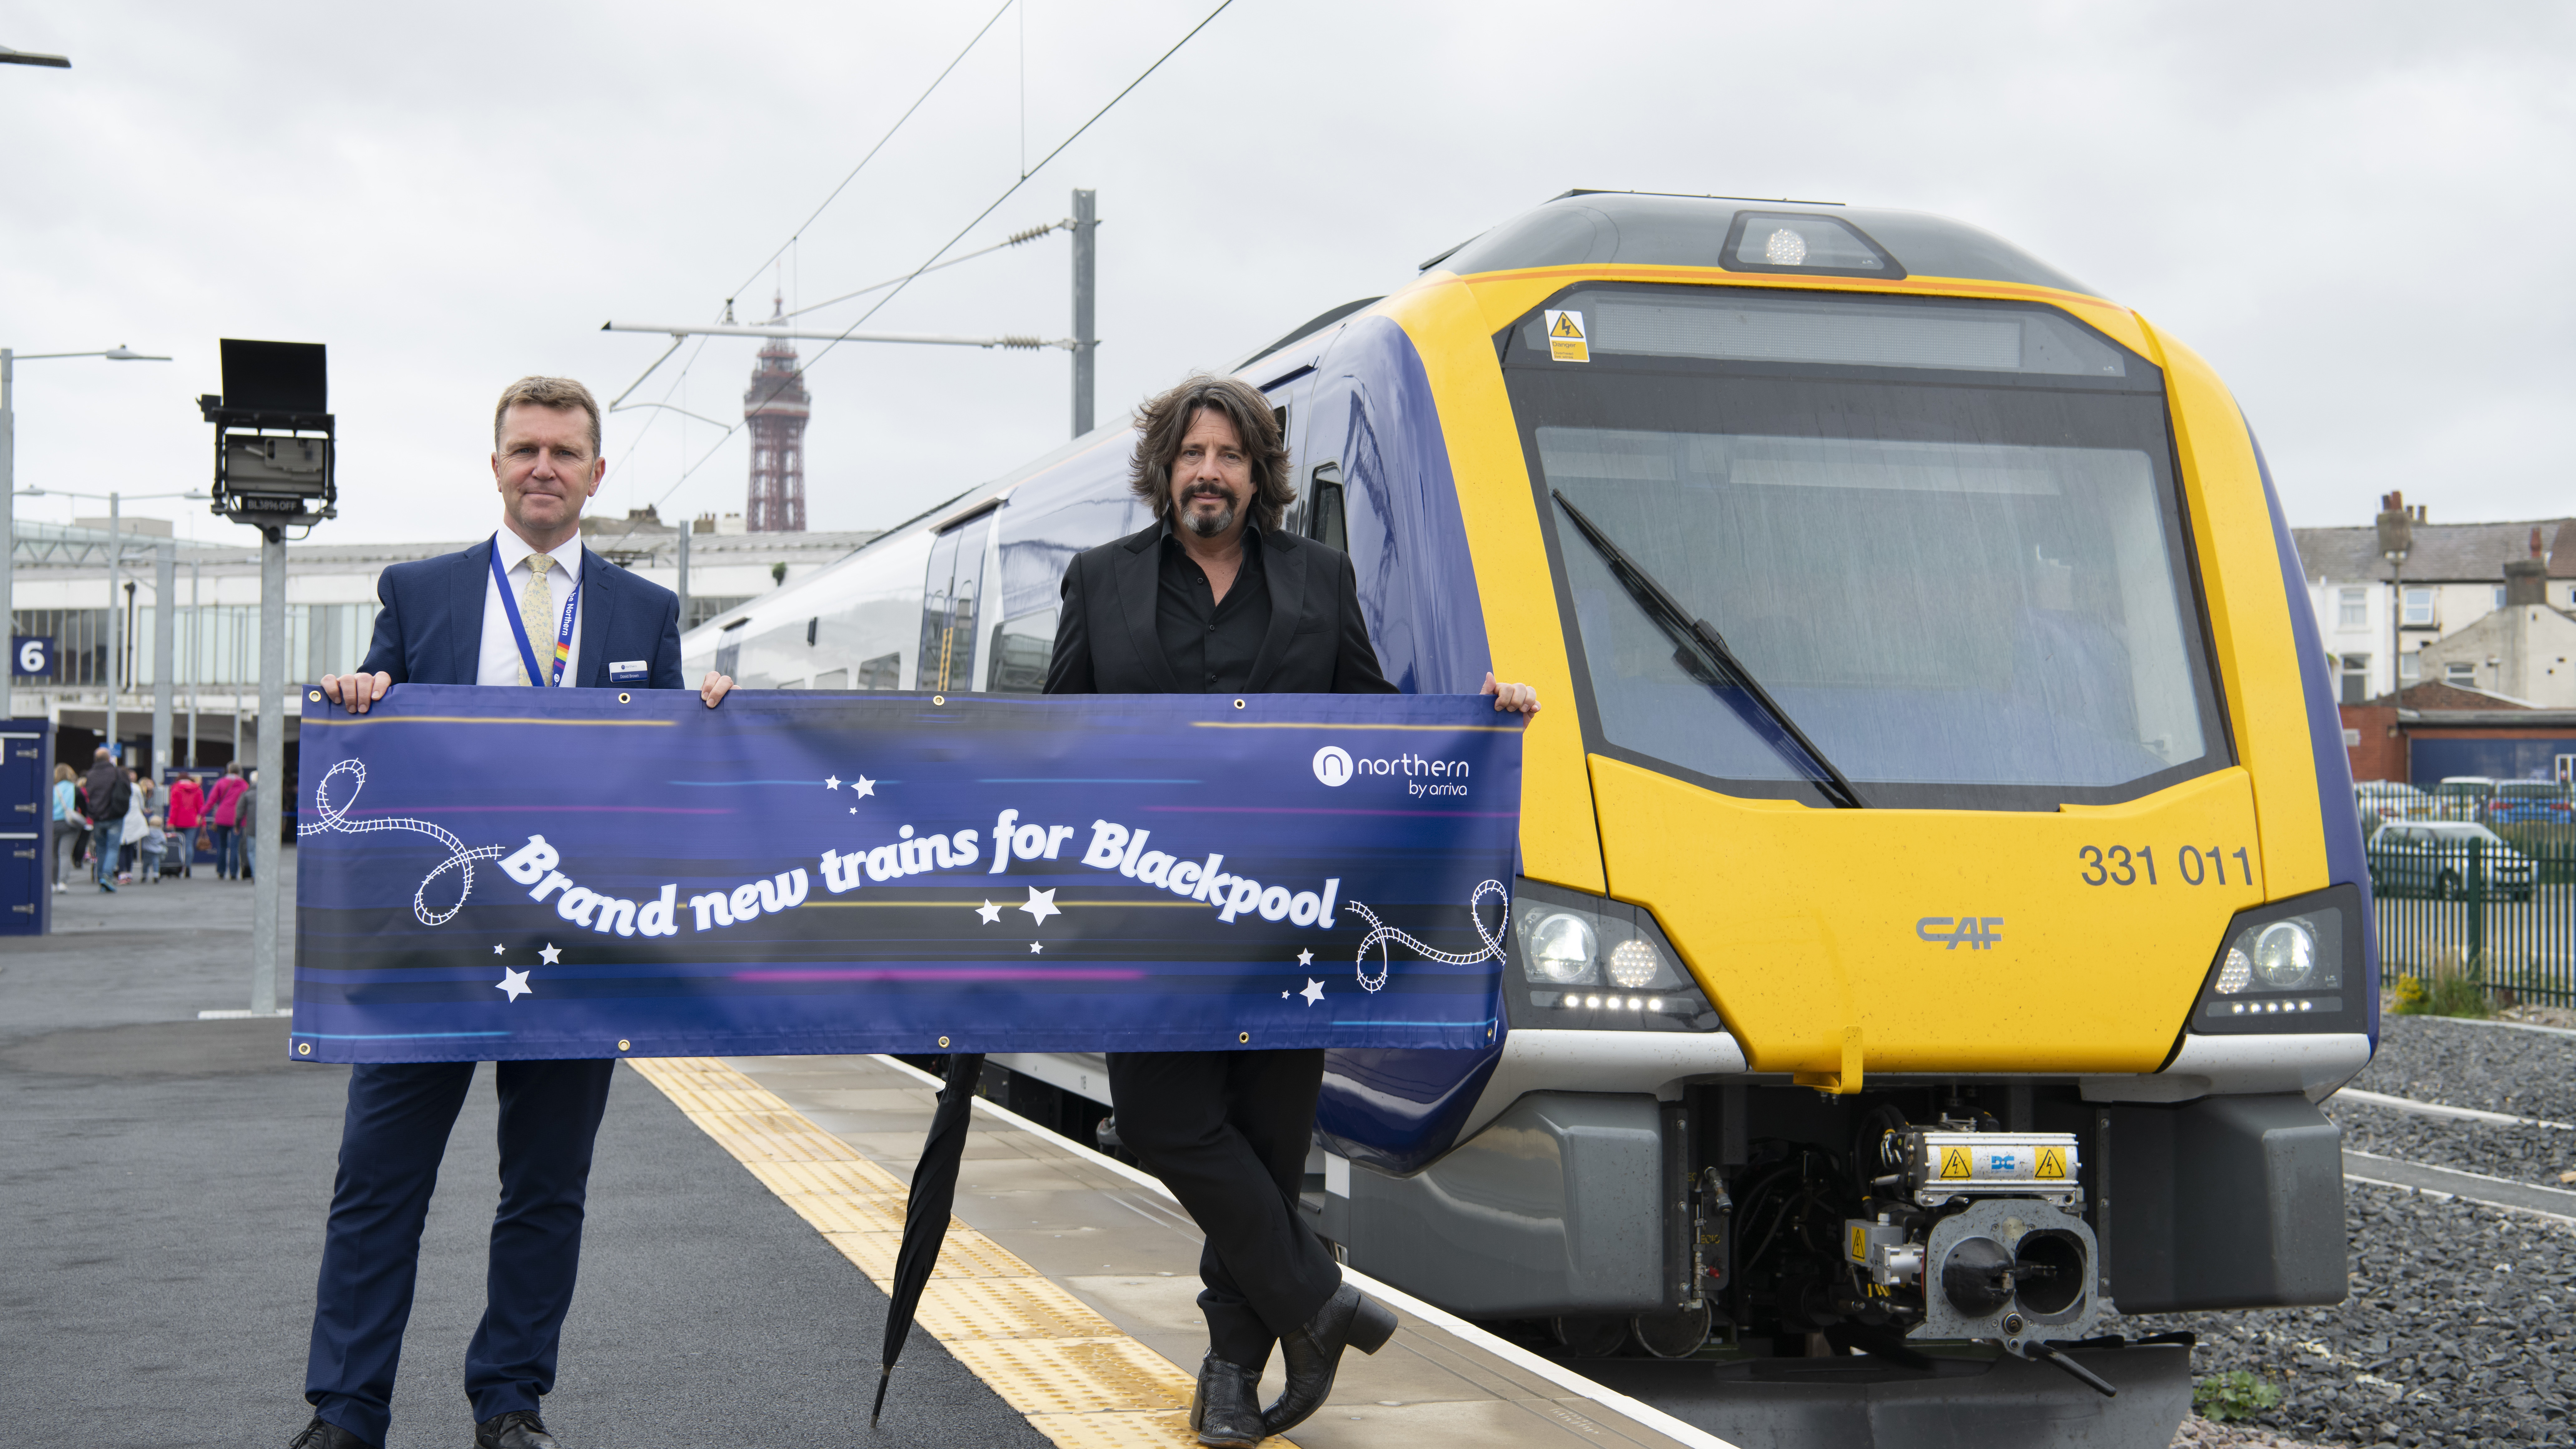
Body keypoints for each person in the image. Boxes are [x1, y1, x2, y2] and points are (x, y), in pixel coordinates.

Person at [1044, 374, 1539, 1447]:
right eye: (1190, 455)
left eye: (1227, 455)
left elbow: (1373, 729)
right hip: (1155, 923)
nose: (1207, 473)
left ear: (1256, 472)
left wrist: (1477, 723)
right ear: (1163, 471)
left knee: (1268, 1149)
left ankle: (1231, 1376)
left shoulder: (1319, 580)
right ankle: (1316, 1299)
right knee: (1170, 1122)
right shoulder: (1101, 583)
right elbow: (1052, 742)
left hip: (1289, 919)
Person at [294, 376, 736, 1449]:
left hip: (577, 945)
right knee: (377, 1182)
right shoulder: (420, 590)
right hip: (430, 944)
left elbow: (664, 771)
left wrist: (711, 717)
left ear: (595, 472)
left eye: (565, 451)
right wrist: (360, 689)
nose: (544, 466)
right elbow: (383, 713)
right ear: (495, 464)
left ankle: (510, 1402)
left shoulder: (646, 613)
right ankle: (347, 1414)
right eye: (526, 448)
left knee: (546, 1188)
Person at [83, 748, 129, 894]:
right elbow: (127, 791)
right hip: (115, 816)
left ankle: (101, 878)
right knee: (113, 848)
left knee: (101, 848)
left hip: (97, 817)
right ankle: (107, 876)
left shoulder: (90, 775)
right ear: (109, 759)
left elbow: (88, 795)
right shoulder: (117, 772)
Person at [207, 762, 246, 879]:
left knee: (222, 845)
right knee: (235, 847)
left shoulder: (221, 783)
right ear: (240, 772)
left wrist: (202, 814)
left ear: (228, 771)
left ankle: (221, 871)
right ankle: (234, 873)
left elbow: (212, 801)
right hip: (237, 819)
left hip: (222, 818)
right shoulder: (244, 785)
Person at [167, 769, 205, 878]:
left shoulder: (176, 788)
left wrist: (171, 822)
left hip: (178, 821)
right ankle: (188, 868)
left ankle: (178, 868)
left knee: (178, 845)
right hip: (193, 821)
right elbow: (201, 808)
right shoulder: (198, 789)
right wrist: (203, 822)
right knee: (189, 844)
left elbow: (175, 807)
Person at [49, 762, 80, 893]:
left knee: (54, 855)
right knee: (65, 854)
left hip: (53, 824)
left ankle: (53, 884)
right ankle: (63, 882)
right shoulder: (75, 789)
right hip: (70, 824)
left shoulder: (52, 788)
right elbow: (84, 806)